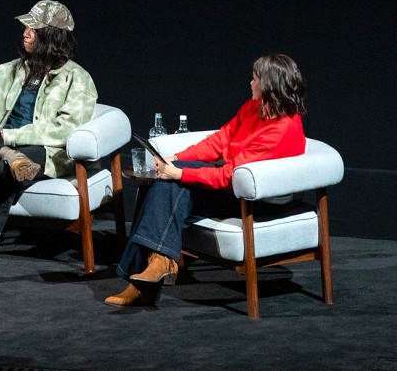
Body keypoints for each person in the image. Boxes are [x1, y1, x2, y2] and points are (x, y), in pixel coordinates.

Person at [105, 53, 307, 307]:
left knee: (174, 181)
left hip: (256, 198)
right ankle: (153, 268)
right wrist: (176, 158)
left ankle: (147, 276)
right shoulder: (252, 108)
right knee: (159, 180)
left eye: (255, 79)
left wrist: (179, 172)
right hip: (232, 185)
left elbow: (232, 174)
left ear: (270, 85)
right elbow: (219, 141)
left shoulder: (282, 130)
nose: (250, 83)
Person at [0, 0, 98, 289]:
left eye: (33, 28)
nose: (25, 32)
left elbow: (65, 130)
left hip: (39, 153)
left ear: (52, 35)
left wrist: (11, 138)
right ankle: (5, 155)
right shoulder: (11, 70)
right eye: (25, 26)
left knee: (2, 168)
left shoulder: (78, 79)